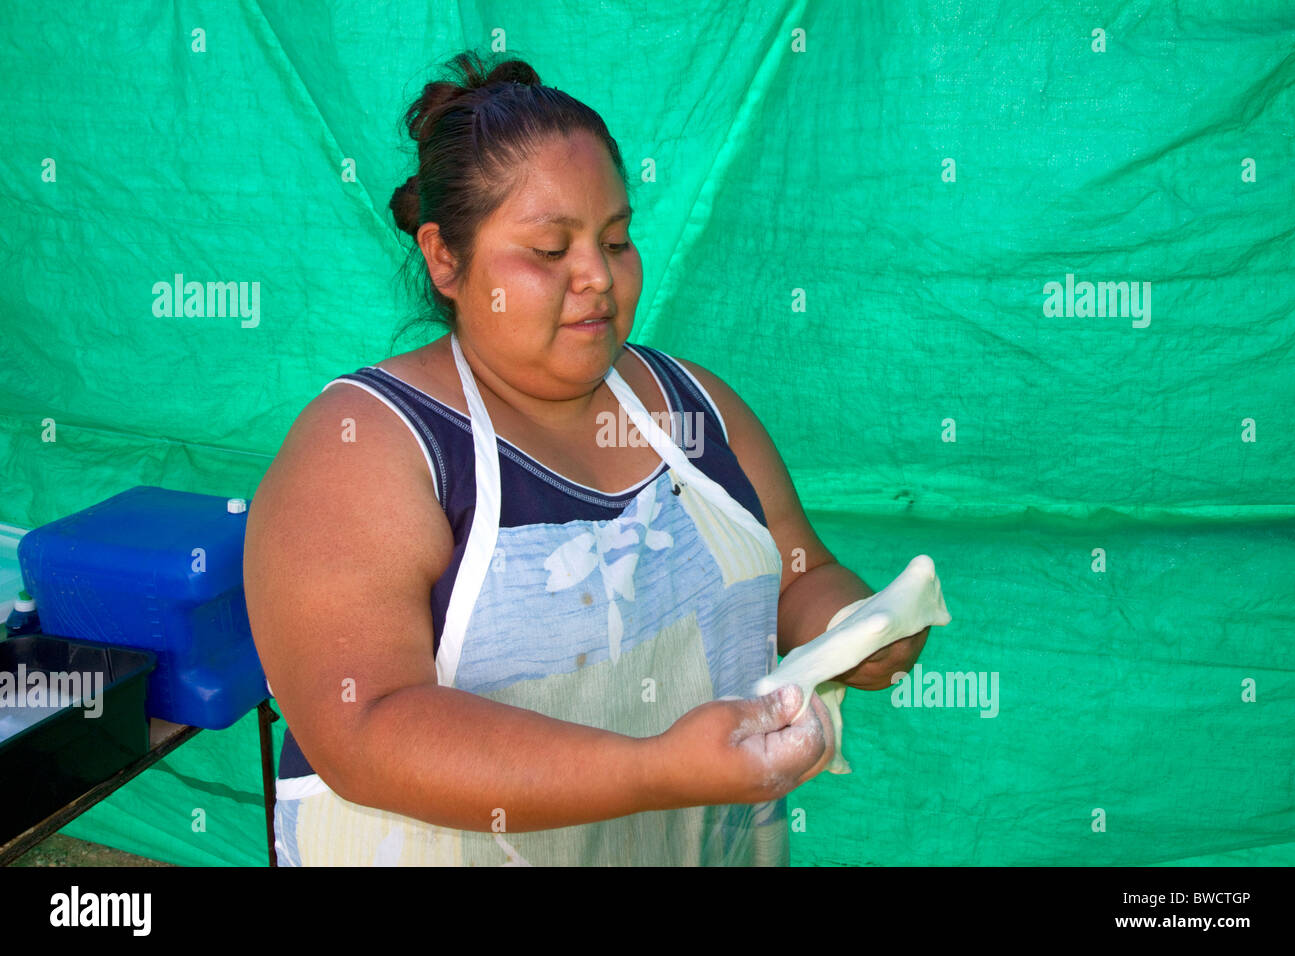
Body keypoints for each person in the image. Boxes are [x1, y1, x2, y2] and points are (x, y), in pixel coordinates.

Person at [242, 50, 929, 866]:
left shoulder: (696, 410)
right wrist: (656, 771)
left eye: (617, 239)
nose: (597, 278)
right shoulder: (366, 448)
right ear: (444, 259)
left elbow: (801, 570)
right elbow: (367, 726)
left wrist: (852, 629)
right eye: (547, 250)